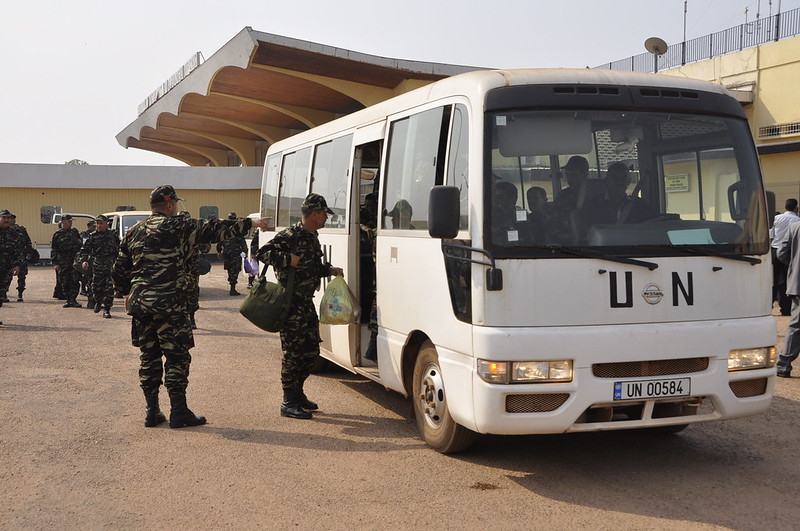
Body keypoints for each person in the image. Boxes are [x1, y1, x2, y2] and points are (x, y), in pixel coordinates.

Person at [113, 185, 270, 428]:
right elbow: (216, 230)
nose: (177, 207)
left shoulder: (134, 231)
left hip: (142, 304)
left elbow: (119, 269)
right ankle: (179, 411)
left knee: (149, 356)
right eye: (175, 204)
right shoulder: (180, 226)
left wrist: (126, 292)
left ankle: (151, 411)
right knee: (176, 356)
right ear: (168, 205)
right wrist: (251, 223)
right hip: (171, 303)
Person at [255, 193, 343, 419]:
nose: (326, 218)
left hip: (305, 303)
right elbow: (262, 253)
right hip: (290, 303)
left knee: (311, 350)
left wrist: (328, 270)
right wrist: (286, 260)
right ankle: (288, 402)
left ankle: (298, 393)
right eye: (324, 214)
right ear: (314, 214)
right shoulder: (290, 235)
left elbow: (310, 267)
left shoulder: (312, 236)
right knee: (293, 354)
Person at [589, 162, 657, 225]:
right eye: (614, 177)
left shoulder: (639, 205)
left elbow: (654, 224)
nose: (619, 181)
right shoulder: (593, 205)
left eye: (623, 178)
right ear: (606, 180)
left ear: (629, 181)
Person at [79, 214, 119, 318]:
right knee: (96, 287)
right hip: (97, 264)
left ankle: (107, 309)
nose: (99, 225)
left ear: (106, 224)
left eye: (101, 223)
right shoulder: (93, 236)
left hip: (110, 264)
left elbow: (120, 248)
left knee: (109, 288)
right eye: (97, 223)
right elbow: (85, 250)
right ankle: (98, 301)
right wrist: (84, 261)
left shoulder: (113, 234)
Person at [776, 218, 800, 378]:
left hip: (798, 283)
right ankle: (783, 363)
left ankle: (784, 364)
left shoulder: (794, 227)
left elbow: (781, 253)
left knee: (796, 324)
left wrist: (794, 265)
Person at [180, 211, 210, 329]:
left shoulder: (195, 234)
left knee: (191, 294)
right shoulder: (174, 234)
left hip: (190, 269)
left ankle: (191, 319)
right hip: (179, 270)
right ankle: (186, 319)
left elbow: (206, 248)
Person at [770, 199, 799, 316]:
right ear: (796, 208)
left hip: (775, 250)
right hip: (789, 252)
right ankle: (785, 308)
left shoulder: (777, 218)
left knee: (773, 280)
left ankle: (768, 305)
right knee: (785, 281)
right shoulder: (797, 220)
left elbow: (771, 235)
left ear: (785, 206)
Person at [51, 214, 84, 308]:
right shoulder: (57, 235)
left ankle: (73, 299)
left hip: (74, 261)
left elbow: (81, 244)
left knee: (75, 280)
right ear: (63, 222)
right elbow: (54, 249)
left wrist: (80, 243)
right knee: (64, 281)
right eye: (68, 221)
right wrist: (55, 263)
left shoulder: (74, 232)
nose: (70, 223)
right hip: (63, 262)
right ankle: (68, 300)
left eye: (71, 221)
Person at [0, 210, 23, 325]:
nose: (7, 220)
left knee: (2, 292)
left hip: (6, 269)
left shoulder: (14, 234)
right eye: (4, 218)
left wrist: (17, 265)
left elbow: (18, 251)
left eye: (8, 218)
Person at [217, 212, 248, 296]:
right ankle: (232, 288)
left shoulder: (224, 231)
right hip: (235, 254)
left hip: (227, 254)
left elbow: (220, 242)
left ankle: (232, 286)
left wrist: (219, 251)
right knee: (235, 270)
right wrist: (246, 252)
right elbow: (243, 243)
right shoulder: (238, 231)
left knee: (230, 270)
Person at [6, 214, 32, 302]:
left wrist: (29, 252)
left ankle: (20, 293)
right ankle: (4, 294)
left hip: (21, 257)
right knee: (6, 276)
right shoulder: (4, 230)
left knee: (22, 276)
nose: (11, 220)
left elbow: (28, 242)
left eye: (13, 219)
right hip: (8, 257)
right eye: (9, 219)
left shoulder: (21, 230)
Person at [79, 219, 97, 300]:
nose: (95, 228)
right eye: (93, 226)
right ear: (89, 226)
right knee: (85, 275)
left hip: (94, 258)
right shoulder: (84, 234)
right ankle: (83, 289)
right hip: (88, 257)